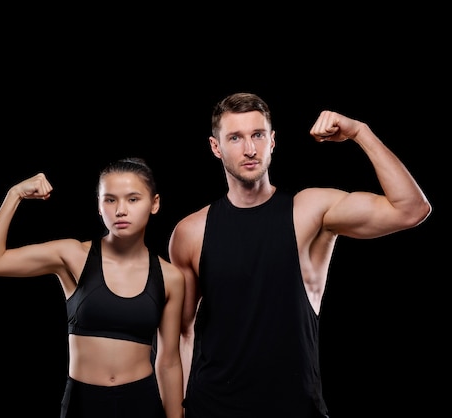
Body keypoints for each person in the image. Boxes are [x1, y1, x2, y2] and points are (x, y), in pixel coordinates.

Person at [168, 92, 432, 418]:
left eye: (258, 135)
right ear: (216, 147)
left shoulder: (309, 211)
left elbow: (411, 209)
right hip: (213, 407)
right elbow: (184, 333)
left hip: (294, 408)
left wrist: (360, 132)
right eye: (235, 138)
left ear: (273, 140)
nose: (250, 149)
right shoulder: (190, 232)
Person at [0, 158, 185, 418]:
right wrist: (14, 194)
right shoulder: (73, 255)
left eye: (133, 199)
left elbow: (169, 361)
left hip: (141, 403)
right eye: (110, 200)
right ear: (98, 205)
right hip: (83, 404)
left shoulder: (170, 276)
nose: (120, 210)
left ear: (154, 204)